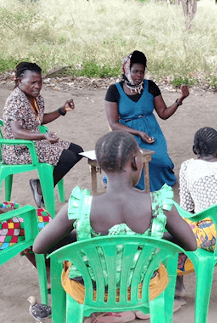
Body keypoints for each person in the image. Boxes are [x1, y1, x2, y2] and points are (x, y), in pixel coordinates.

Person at [33, 131, 197, 320]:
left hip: (89, 291)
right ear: (137, 162)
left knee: (68, 267)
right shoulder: (160, 204)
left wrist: (82, 239)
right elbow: (191, 244)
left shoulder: (80, 206)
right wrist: (149, 239)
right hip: (144, 287)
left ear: (101, 166)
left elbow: (39, 246)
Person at [105, 50, 189, 192]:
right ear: (126, 70)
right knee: (134, 164)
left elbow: (163, 113)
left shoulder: (150, 86)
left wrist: (180, 99)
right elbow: (113, 124)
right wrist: (137, 132)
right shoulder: (114, 90)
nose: (139, 75)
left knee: (160, 161)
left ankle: (157, 185)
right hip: (127, 135)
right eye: (135, 71)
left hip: (151, 132)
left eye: (142, 72)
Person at [2, 62, 83, 208]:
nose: (38, 86)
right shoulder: (15, 100)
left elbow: (39, 120)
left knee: (77, 151)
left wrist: (61, 110)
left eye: (40, 82)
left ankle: (39, 185)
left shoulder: (36, 98)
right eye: (33, 82)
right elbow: (17, 132)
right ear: (20, 81)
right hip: (18, 150)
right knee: (67, 157)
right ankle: (41, 190)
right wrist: (43, 136)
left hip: (34, 144)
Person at [176, 127, 217, 296]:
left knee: (178, 224)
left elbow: (186, 208)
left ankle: (178, 286)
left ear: (194, 149)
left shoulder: (188, 167)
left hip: (212, 236)